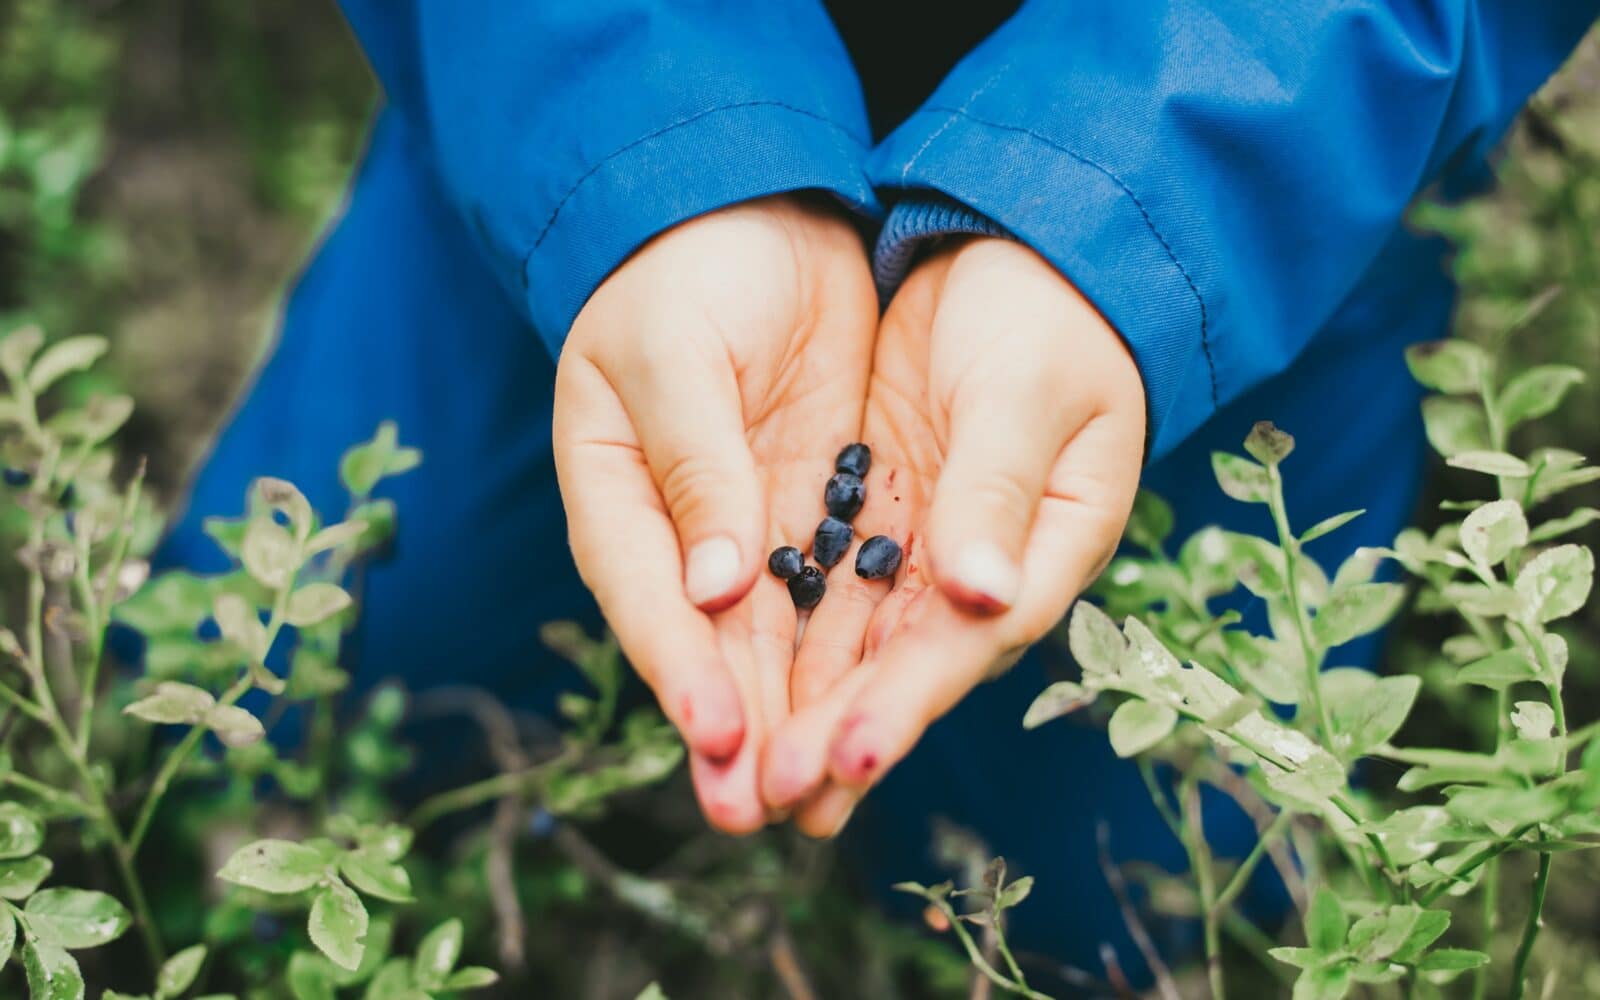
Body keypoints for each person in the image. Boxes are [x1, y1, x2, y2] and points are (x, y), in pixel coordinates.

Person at [156, 0, 1600, 981]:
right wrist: (651, 157)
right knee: (285, 669)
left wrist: (1120, 215)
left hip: (1246, 197)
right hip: (572, 135)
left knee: (1144, 891)